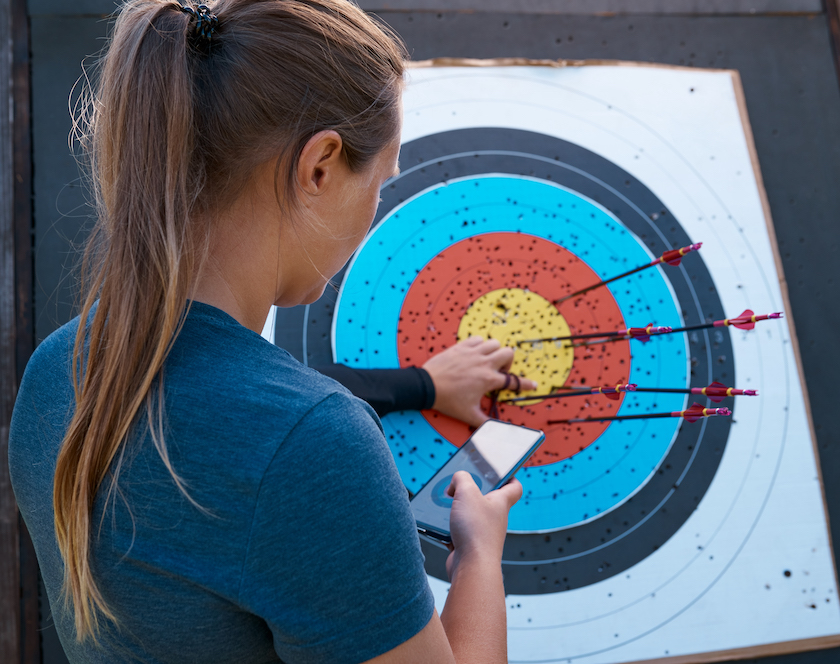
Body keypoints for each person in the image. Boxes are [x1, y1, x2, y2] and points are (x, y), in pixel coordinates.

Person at [9, 1, 524, 663]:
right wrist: (479, 557)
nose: (376, 210)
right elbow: (271, 439)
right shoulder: (316, 444)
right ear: (321, 167)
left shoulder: (57, 371)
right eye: (382, 180)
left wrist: (421, 385)